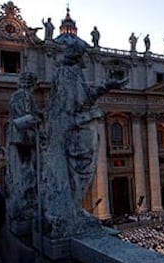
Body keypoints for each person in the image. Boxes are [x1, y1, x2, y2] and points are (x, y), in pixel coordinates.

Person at [43, 42, 128, 238]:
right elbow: (79, 102)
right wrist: (105, 87)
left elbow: (81, 98)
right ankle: (71, 211)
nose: (85, 59)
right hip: (74, 131)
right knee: (80, 172)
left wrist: (106, 86)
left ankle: (71, 210)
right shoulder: (68, 73)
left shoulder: (69, 73)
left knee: (80, 173)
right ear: (77, 55)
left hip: (72, 129)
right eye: (83, 55)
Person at [6, 72, 41, 223]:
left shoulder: (17, 95)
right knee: (27, 171)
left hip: (20, 137)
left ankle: (23, 204)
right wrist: (38, 119)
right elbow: (25, 117)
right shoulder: (24, 96)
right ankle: (26, 206)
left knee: (24, 171)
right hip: (23, 138)